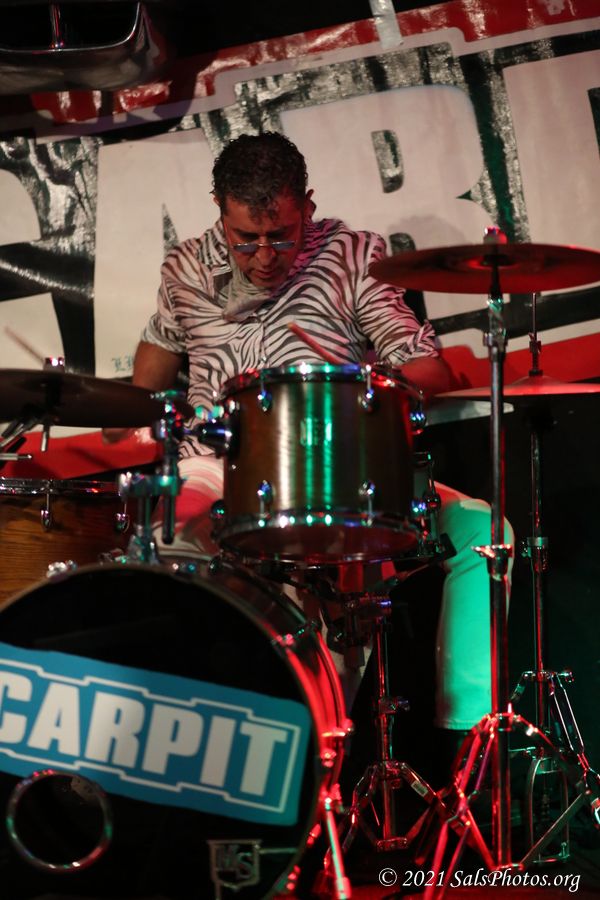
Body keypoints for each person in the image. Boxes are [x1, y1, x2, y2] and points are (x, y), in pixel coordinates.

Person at [104, 131, 513, 763]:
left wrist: (383, 379)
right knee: (167, 530)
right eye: (247, 239)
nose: (265, 256)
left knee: (487, 531)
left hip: (337, 464)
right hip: (221, 460)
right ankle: (154, 725)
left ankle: (472, 747)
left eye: (283, 235)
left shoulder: (352, 254)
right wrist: (123, 410)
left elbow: (424, 369)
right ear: (220, 212)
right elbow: (156, 353)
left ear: (308, 207)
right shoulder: (185, 268)